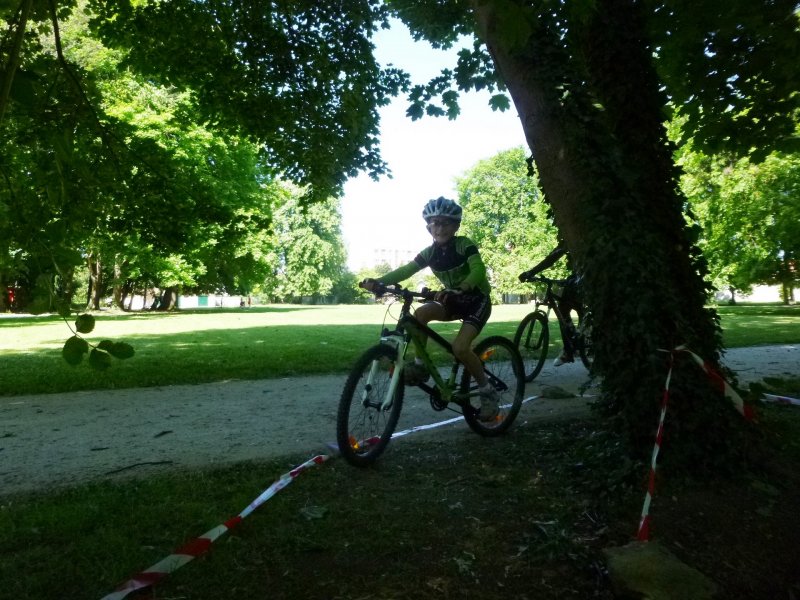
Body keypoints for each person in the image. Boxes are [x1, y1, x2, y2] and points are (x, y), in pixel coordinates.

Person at [360, 197, 499, 421]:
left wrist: (463, 287)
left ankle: (487, 391)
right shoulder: (430, 253)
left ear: (455, 226)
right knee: (420, 314)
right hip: (451, 300)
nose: (440, 228)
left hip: (476, 300)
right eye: (434, 223)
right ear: (428, 227)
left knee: (461, 348)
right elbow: (406, 270)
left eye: (445, 223)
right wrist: (379, 282)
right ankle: (420, 366)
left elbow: (478, 270)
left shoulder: (464, 244)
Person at [518, 245, 583, 366]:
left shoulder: (578, 236)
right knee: (563, 307)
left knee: (579, 309)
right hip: (575, 277)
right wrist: (531, 272)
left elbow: (553, 257)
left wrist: (531, 272)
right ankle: (570, 348)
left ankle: (581, 342)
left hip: (587, 276)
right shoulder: (566, 238)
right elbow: (552, 257)